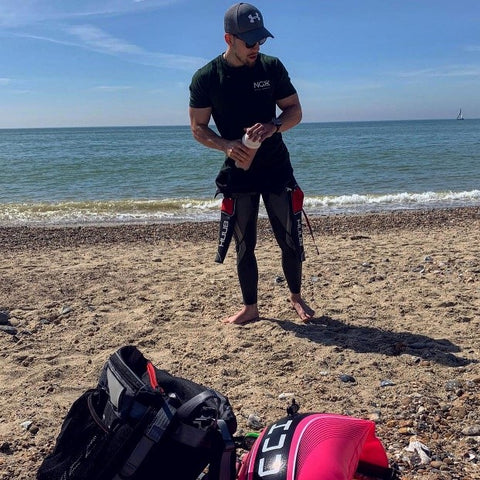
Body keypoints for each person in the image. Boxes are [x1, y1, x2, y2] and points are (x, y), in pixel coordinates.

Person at [189, 2, 314, 325]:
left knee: (289, 238)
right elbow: (198, 128)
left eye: (261, 40)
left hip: (276, 168)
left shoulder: (271, 68)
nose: (257, 47)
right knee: (245, 243)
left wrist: (273, 125)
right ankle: (251, 307)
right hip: (239, 170)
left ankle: (297, 297)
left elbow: (294, 111)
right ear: (229, 39)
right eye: (250, 41)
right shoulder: (206, 77)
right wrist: (226, 145)